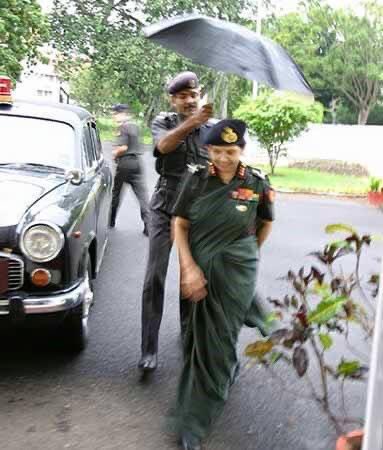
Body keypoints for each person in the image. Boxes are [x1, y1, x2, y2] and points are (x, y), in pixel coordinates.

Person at [172, 119, 275, 450]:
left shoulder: (257, 182)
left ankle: (217, 383)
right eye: (217, 151)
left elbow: (265, 223)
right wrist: (187, 267)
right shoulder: (196, 179)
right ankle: (194, 418)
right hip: (199, 271)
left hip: (238, 272)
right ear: (208, 150)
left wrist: (244, 255)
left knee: (224, 332)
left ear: (241, 150)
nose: (223, 158)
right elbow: (180, 224)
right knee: (203, 341)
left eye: (230, 151)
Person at [138, 72, 215, 372]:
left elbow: (223, 164)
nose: (189, 100)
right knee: (154, 276)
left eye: (192, 94)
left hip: (194, 213)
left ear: (199, 94)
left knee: (190, 277)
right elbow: (164, 147)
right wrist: (192, 123)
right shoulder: (164, 122)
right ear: (173, 99)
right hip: (164, 208)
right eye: (182, 96)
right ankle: (148, 349)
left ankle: (188, 336)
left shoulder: (210, 129)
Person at [109, 103, 150, 235]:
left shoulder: (123, 127)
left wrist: (114, 153)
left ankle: (111, 221)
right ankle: (148, 226)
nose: (114, 116)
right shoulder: (135, 126)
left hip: (125, 163)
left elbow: (123, 147)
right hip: (137, 162)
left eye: (115, 114)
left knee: (116, 194)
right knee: (142, 196)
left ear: (121, 113)